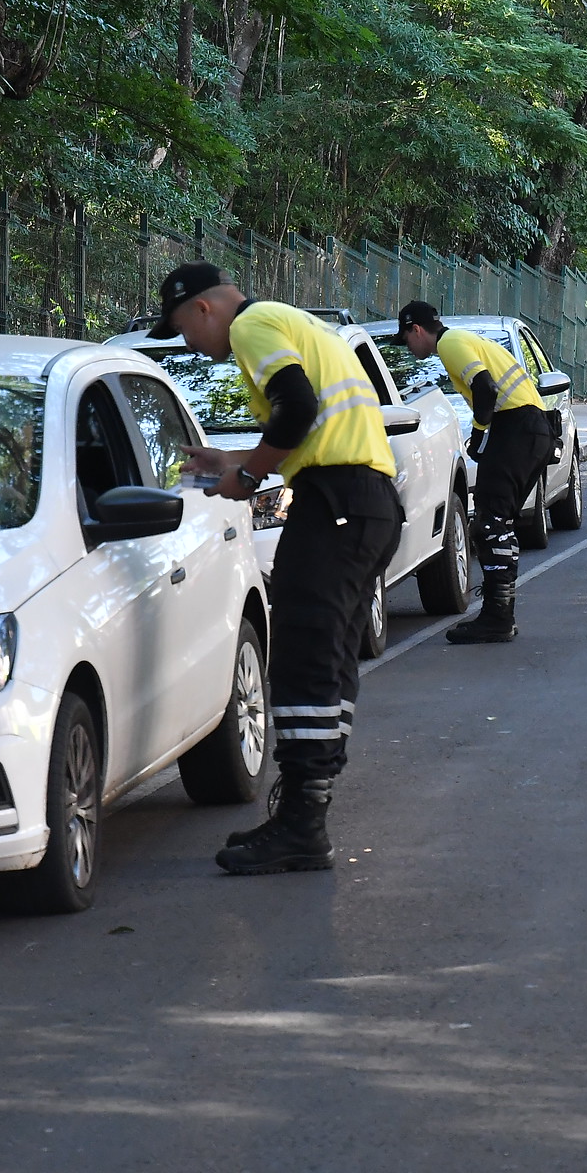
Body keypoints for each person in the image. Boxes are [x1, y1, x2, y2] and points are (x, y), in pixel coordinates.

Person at [157, 263, 402, 876]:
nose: (188, 342)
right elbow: (312, 426)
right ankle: (304, 811)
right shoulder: (292, 322)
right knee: (331, 655)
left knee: (303, 656)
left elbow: (295, 410)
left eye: (183, 328)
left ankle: (302, 824)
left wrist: (249, 474)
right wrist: (233, 458)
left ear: (204, 309)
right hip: (362, 502)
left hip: (336, 502)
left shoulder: (253, 325)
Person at [392, 300, 555, 643]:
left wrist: (479, 432)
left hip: (518, 426)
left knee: (490, 523)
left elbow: (486, 389)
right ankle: (501, 614)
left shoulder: (450, 344)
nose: (407, 346)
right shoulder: (463, 341)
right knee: (498, 522)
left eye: (406, 339)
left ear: (417, 329)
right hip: (532, 427)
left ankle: (497, 617)